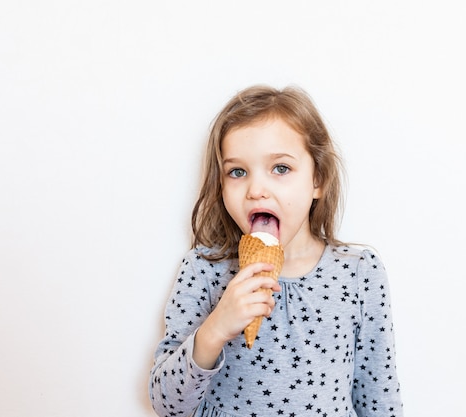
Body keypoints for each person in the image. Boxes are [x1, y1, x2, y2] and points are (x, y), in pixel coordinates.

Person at [149, 85, 403, 417]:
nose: (256, 190)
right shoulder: (205, 270)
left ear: (318, 180)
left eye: (280, 168)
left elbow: (379, 401)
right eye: (237, 172)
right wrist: (214, 330)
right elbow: (168, 406)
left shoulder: (358, 272)